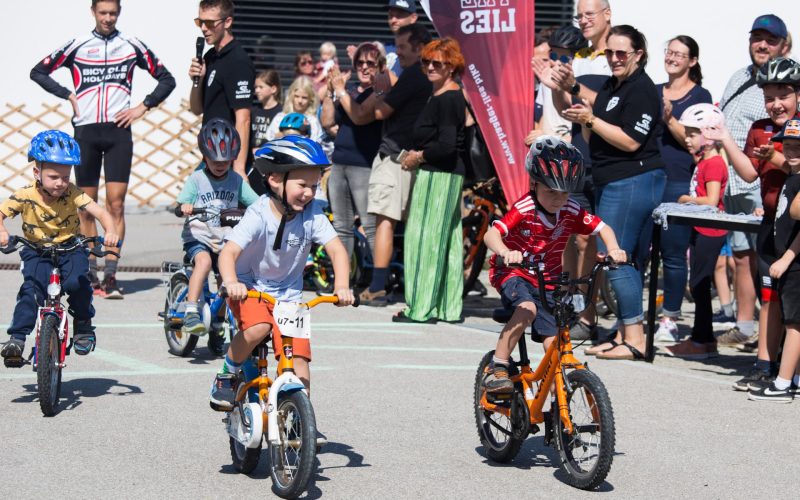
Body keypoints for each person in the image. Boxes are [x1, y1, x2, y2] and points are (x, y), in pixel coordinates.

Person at [29, 0, 175, 299]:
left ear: (118, 13)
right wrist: (69, 94)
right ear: (93, 12)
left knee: (117, 205)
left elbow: (167, 79)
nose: (108, 18)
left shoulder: (131, 44)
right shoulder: (78, 44)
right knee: (86, 205)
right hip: (86, 131)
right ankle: (90, 273)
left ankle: (111, 275)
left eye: (113, 13)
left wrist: (142, 107)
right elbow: (38, 71)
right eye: (103, 13)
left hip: (119, 132)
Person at [209, 136, 354, 415]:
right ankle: (227, 373)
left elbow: (337, 250)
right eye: (302, 185)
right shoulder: (258, 213)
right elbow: (227, 254)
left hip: (288, 296)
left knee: (299, 358)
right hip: (250, 287)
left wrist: (343, 286)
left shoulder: (312, 213)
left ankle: (300, 420)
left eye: (314, 185)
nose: (310, 192)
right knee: (258, 328)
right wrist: (231, 282)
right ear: (275, 180)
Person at [482, 137, 626, 393]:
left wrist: (613, 249)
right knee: (527, 309)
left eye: (564, 192)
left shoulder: (570, 208)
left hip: (546, 277)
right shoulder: (525, 207)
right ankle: (498, 366)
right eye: (551, 192)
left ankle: (558, 402)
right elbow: (492, 233)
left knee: (554, 337)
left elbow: (602, 227)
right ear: (534, 184)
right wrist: (506, 251)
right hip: (513, 272)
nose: (558, 199)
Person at [562, 24, 665, 360]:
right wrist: (575, 98)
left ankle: (635, 338)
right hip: (614, 179)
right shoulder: (613, 85)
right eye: (610, 52)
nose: (615, 58)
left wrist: (590, 120)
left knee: (614, 256)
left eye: (622, 53)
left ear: (639, 54)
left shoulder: (643, 90)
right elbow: (598, 126)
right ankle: (624, 333)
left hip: (633, 180)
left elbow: (631, 140)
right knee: (621, 259)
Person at [706, 57, 800, 391]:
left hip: (797, 230)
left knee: (795, 302)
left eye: (784, 95)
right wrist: (725, 137)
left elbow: (793, 168)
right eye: (769, 96)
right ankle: (764, 365)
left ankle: (789, 371)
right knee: (770, 298)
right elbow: (748, 173)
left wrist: (775, 157)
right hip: (772, 225)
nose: (776, 104)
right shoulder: (760, 128)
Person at [0, 131, 120, 361]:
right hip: (36, 250)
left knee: (79, 282)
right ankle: (17, 339)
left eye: (65, 177)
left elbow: (100, 213)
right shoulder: (25, 195)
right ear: (37, 172)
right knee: (31, 291)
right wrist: (2, 231)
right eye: (54, 176)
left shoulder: (73, 193)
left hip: (70, 247)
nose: (61, 183)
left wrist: (111, 230)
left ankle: (84, 326)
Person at [539, 0, 613, 340]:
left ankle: (588, 312)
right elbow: (566, 109)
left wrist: (573, 87)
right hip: (578, 158)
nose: (582, 20)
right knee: (569, 233)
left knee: (592, 241)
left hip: (611, 162)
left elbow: (613, 108)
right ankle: (566, 301)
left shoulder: (617, 56)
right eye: (578, 15)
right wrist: (557, 88)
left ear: (607, 16)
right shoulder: (579, 59)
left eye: (589, 14)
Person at [716, 14, 790, 348]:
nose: (761, 45)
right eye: (756, 38)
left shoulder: (791, 88)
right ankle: (753, 335)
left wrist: (773, 160)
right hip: (741, 183)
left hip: (771, 199)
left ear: (784, 45)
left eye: (769, 40)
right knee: (745, 261)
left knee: (781, 283)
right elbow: (746, 157)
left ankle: (774, 348)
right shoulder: (738, 77)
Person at [357, 23, 433, 306]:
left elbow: (380, 112)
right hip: (413, 157)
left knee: (384, 222)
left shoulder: (415, 74)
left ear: (419, 48)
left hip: (396, 158)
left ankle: (377, 286)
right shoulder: (428, 76)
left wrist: (379, 91)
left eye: (402, 47)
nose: (396, 53)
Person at [393, 37, 466, 324]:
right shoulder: (441, 93)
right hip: (445, 174)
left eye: (439, 63)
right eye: (427, 61)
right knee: (447, 241)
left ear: (452, 67)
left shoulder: (448, 97)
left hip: (439, 173)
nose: (431, 67)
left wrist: (418, 157)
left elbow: (447, 145)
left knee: (423, 240)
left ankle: (420, 308)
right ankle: (447, 308)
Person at [176, 119, 259, 354]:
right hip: (199, 236)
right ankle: (192, 310)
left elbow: (255, 202)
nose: (220, 165)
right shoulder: (197, 179)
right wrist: (185, 206)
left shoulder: (236, 181)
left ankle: (217, 323)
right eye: (215, 160)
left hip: (225, 239)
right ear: (204, 156)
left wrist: (265, 209)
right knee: (203, 262)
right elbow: (183, 200)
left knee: (227, 281)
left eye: (225, 160)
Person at [652, 35, 713, 343]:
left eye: (680, 54)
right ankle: (639, 317)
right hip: (648, 176)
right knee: (641, 251)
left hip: (680, 178)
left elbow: (697, 142)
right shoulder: (653, 89)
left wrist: (669, 118)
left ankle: (669, 318)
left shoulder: (700, 95)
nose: (672, 57)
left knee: (674, 253)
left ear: (692, 61)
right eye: (669, 52)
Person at [664, 104, 728, 359]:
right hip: (701, 229)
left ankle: (702, 340)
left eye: (692, 134)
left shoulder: (713, 164)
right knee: (699, 285)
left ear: (709, 135)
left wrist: (685, 200)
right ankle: (704, 338)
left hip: (710, 230)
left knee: (700, 285)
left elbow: (711, 200)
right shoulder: (704, 161)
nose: (687, 139)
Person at [750, 118, 800, 402]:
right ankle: (796, 377)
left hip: (794, 263)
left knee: (795, 324)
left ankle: (782, 384)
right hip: (788, 261)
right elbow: (786, 162)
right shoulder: (793, 173)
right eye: (788, 145)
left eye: (798, 147)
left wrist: (787, 258)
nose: (791, 151)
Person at [321, 42, 385, 257]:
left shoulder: (381, 92)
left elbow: (359, 117)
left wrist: (340, 90)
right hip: (339, 163)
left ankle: (379, 282)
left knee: (370, 226)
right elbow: (328, 122)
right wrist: (331, 92)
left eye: (370, 63)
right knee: (341, 226)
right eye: (360, 63)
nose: (364, 67)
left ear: (380, 66)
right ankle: (344, 281)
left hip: (365, 165)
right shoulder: (347, 93)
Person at [188, 0, 255, 181]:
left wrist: (239, 168)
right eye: (199, 22)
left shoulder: (238, 61)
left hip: (228, 162)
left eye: (209, 23)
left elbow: (244, 118)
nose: (203, 28)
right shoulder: (210, 56)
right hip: (210, 156)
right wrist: (198, 81)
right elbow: (196, 109)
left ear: (227, 22)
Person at [267, 76, 323, 142]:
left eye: (304, 98)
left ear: (311, 99)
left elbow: (315, 142)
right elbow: (269, 139)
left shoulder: (312, 121)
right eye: (296, 96)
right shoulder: (280, 117)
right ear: (291, 96)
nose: (300, 101)